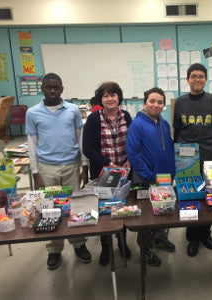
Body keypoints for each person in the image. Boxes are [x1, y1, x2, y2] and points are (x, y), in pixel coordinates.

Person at [25, 73, 91, 270]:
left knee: (75, 206)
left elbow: (81, 139)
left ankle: (79, 244)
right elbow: (32, 144)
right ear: (42, 88)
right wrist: (35, 173)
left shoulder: (72, 111)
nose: (52, 91)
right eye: (48, 87)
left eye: (56, 87)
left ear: (62, 89)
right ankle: (54, 248)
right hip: (47, 168)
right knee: (49, 208)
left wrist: (84, 166)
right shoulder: (33, 113)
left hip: (72, 166)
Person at [173, 63, 212, 257]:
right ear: (187, 80)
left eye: (201, 76)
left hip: (210, 155)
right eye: (194, 76)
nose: (198, 79)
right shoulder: (180, 102)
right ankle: (192, 236)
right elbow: (177, 131)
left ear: (205, 79)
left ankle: (206, 232)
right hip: (187, 159)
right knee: (190, 195)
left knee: (209, 195)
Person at [82, 82, 132, 267]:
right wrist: (107, 164)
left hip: (125, 172)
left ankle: (122, 242)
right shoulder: (94, 119)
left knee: (122, 208)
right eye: (105, 96)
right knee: (104, 211)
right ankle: (106, 246)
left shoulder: (126, 116)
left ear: (119, 97)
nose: (110, 99)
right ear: (100, 100)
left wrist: (130, 160)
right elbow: (87, 149)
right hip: (102, 173)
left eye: (113, 95)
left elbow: (134, 142)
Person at [126, 87, 176, 266]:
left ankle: (160, 238)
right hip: (147, 179)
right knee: (148, 218)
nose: (156, 105)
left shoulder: (164, 123)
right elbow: (132, 154)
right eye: (152, 101)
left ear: (163, 105)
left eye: (160, 102)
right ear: (145, 103)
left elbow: (169, 149)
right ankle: (146, 249)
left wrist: (173, 172)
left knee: (164, 211)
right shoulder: (137, 124)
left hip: (165, 178)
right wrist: (148, 175)